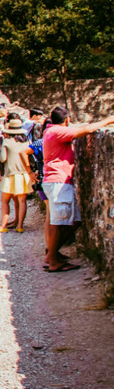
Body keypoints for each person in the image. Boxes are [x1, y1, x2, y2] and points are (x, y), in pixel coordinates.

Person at [41, 107, 114, 272]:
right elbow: (87, 130)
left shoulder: (51, 130)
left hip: (58, 181)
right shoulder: (58, 132)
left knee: (74, 221)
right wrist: (108, 120)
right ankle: (53, 260)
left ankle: (52, 252)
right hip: (58, 181)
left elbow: (81, 128)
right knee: (58, 223)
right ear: (66, 120)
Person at [0, 119, 33, 233]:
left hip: (11, 174)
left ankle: (3, 225)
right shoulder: (26, 141)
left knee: (5, 200)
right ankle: (19, 225)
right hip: (24, 174)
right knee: (22, 201)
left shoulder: (7, 142)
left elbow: (3, 158)